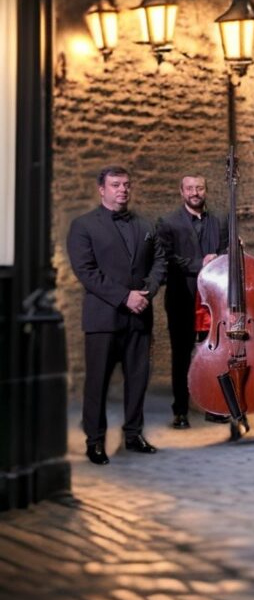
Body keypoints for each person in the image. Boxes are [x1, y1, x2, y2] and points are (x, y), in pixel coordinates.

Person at [67, 166, 167, 465]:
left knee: (138, 380)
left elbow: (160, 261)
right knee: (97, 383)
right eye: (115, 185)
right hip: (103, 319)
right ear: (102, 189)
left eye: (126, 184)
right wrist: (125, 297)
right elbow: (86, 272)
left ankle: (133, 435)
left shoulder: (145, 224)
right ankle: (95, 441)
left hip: (140, 316)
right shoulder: (83, 225)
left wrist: (148, 290)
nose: (122, 189)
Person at [155, 175, 227, 430]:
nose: (195, 192)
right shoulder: (168, 222)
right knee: (181, 355)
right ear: (181, 191)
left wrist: (220, 257)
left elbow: (227, 251)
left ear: (206, 190)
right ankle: (181, 411)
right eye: (190, 188)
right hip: (182, 297)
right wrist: (200, 264)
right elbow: (166, 258)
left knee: (213, 354)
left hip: (213, 298)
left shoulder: (219, 221)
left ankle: (213, 406)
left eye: (199, 188)